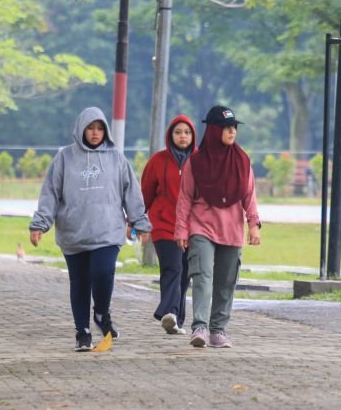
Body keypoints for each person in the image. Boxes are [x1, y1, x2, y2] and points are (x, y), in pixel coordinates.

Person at [29, 107, 152, 352]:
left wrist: (140, 222)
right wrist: (40, 224)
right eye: (90, 128)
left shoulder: (116, 158)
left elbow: (131, 192)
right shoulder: (64, 158)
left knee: (103, 272)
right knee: (80, 282)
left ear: (105, 131)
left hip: (108, 231)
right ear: (81, 129)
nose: (95, 133)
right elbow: (50, 193)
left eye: (99, 129)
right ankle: (82, 332)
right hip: (74, 233)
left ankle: (101, 313)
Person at [175, 105, 261, 349]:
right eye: (226, 127)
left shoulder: (242, 161)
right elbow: (185, 198)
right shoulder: (196, 162)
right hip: (201, 228)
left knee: (225, 282)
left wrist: (254, 225)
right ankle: (199, 327)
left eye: (234, 127)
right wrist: (181, 230)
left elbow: (249, 195)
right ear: (213, 130)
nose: (232, 131)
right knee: (202, 276)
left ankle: (218, 330)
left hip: (231, 230)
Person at [141, 115, 197, 335]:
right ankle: (170, 311)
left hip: (192, 228)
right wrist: (134, 221)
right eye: (178, 132)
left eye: (187, 132)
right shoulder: (158, 161)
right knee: (172, 268)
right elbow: (145, 193)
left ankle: (177, 321)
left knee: (185, 274)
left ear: (193, 136)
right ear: (170, 135)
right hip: (164, 226)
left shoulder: (199, 160)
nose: (182, 136)